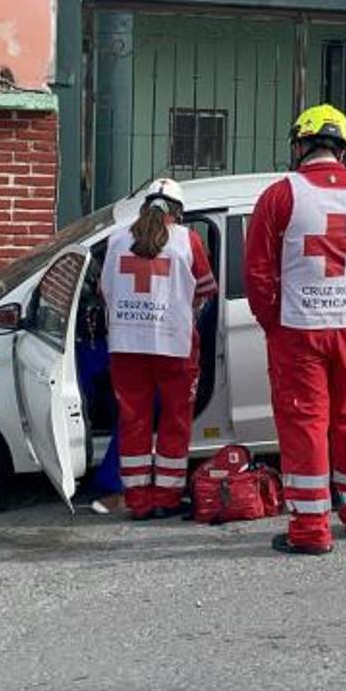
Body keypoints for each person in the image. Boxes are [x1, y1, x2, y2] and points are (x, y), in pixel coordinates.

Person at [244, 104, 346, 555]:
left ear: (301, 145)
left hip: (299, 331)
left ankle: (311, 530)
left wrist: (273, 323)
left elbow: (257, 273)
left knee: (305, 426)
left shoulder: (280, 194)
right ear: (343, 148)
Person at [99, 178, 217, 520]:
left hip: (126, 346)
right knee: (175, 421)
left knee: (133, 419)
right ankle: (166, 496)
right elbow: (206, 289)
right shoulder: (188, 240)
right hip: (174, 345)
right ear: (178, 212)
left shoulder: (116, 239)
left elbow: (107, 290)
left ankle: (137, 499)